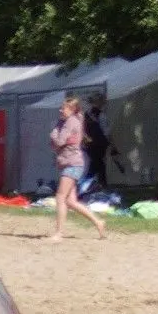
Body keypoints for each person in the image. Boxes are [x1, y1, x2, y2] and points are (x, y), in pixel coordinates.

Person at [48, 95, 105, 242]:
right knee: (71, 201)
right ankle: (98, 222)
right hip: (70, 163)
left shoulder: (70, 122)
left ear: (72, 109)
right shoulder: (68, 121)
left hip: (72, 164)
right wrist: (56, 137)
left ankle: (59, 233)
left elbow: (59, 141)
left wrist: (53, 132)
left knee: (60, 197)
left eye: (63, 108)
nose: (60, 110)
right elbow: (55, 145)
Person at [83, 97, 119, 188]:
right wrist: (113, 145)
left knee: (98, 164)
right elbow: (106, 132)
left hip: (90, 145)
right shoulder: (101, 115)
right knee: (98, 164)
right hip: (99, 144)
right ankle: (92, 185)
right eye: (102, 102)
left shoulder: (86, 115)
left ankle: (100, 184)